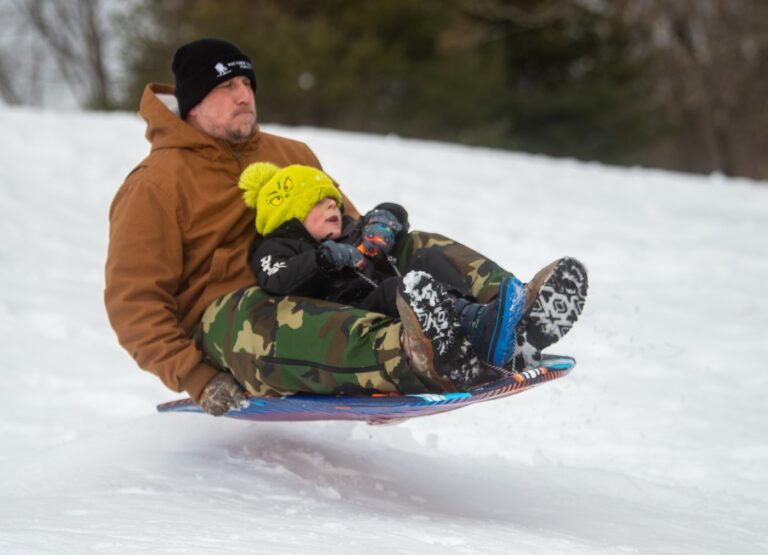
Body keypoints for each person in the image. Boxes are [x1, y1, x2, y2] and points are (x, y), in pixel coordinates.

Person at [104, 37, 588, 416]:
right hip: (232, 321)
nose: (244, 96)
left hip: (316, 275)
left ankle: (508, 315)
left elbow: (347, 228)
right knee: (270, 315)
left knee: (410, 246)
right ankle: (415, 353)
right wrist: (196, 377)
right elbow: (135, 303)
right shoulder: (155, 185)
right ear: (193, 101)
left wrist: (376, 231)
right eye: (227, 87)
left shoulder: (289, 155)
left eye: (248, 85)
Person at [239, 161, 541, 376]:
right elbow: (276, 277)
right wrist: (324, 258)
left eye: (334, 200)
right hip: (350, 310)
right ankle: (476, 327)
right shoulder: (278, 246)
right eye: (319, 202)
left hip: (393, 292)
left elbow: (390, 212)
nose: (333, 206)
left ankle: (487, 319)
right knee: (397, 289)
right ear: (289, 213)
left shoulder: (348, 230)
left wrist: (385, 220)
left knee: (427, 260)